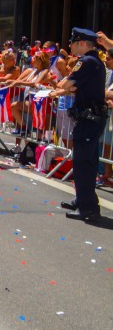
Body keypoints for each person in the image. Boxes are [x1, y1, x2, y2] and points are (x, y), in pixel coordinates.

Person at [49, 28, 107, 223]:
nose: (70, 46)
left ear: (82, 43)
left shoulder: (87, 62)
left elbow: (67, 85)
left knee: (84, 163)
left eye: (73, 43)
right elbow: (74, 87)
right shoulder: (94, 62)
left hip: (89, 119)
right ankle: (82, 199)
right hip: (91, 118)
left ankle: (88, 207)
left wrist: (60, 87)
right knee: (85, 161)